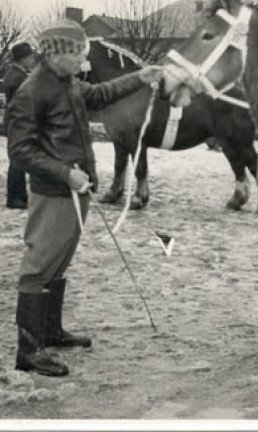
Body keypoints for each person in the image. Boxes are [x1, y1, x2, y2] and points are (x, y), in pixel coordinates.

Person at [6, 19, 164, 377]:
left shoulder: (67, 82)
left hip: (77, 190)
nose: (83, 58)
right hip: (55, 193)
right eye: (77, 52)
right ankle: (28, 351)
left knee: (59, 262)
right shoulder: (32, 92)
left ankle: (50, 331)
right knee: (39, 265)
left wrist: (140, 77)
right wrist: (65, 173)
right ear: (57, 53)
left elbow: (99, 95)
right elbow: (19, 151)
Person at [4, 42, 37, 209]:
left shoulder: (16, 74)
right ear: (23, 58)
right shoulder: (18, 78)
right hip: (19, 122)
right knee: (17, 160)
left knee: (19, 159)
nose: (32, 59)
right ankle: (14, 197)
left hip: (17, 122)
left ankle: (19, 195)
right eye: (30, 57)